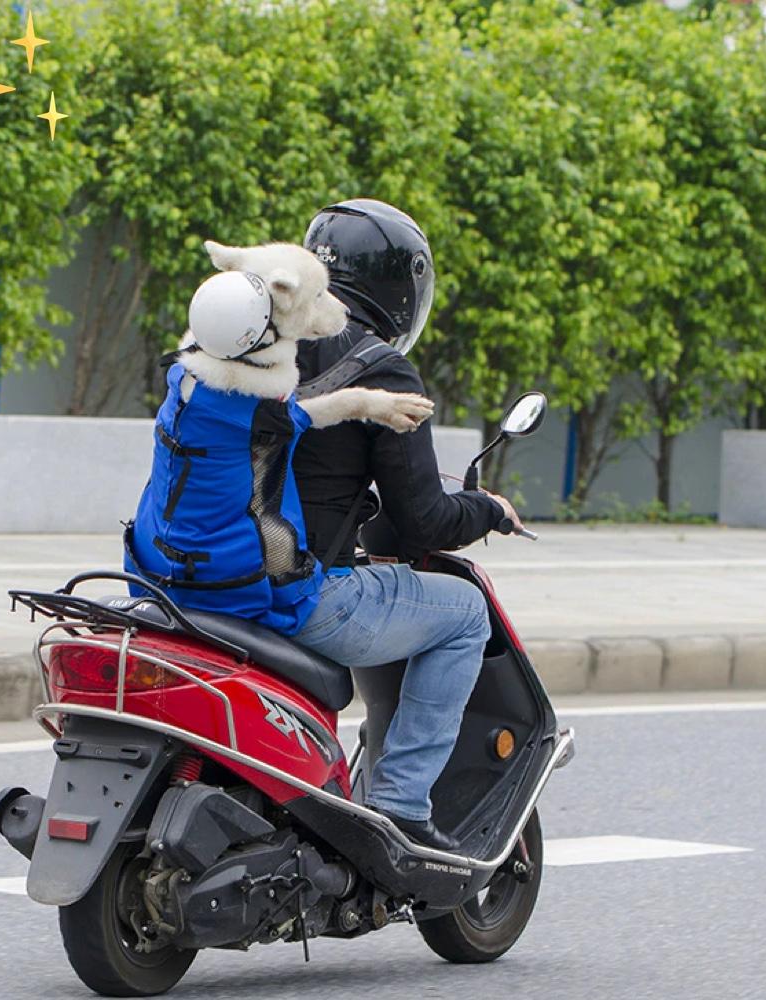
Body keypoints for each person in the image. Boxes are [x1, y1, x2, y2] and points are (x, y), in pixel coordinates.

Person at [290, 199, 524, 851]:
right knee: (464, 613)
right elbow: (421, 521)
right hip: (296, 593)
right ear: (400, 287)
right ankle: (400, 805)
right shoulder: (381, 369)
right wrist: (489, 510)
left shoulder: (253, 344)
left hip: (188, 585)